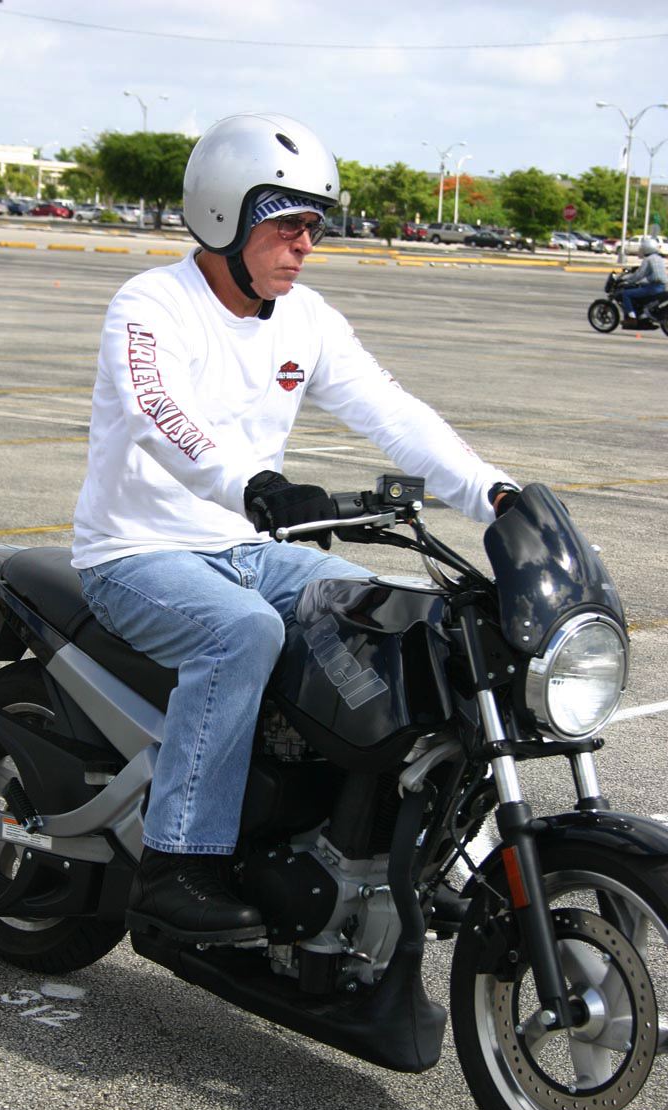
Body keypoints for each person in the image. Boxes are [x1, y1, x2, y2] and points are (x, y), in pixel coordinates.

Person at [72, 112, 518, 942]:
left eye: (313, 225)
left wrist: (494, 493)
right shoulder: (152, 304)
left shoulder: (306, 318)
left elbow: (391, 411)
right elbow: (155, 411)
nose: (305, 244)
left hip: (252, 550)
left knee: (401, 617)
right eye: (286, 224)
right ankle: (177, 863)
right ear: (223, 214)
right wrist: (252, 486)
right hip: (137, 552)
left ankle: (411, 847)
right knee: (239, 633)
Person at [620, 236, 667, 325]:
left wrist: (627, 280)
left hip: (654, 288)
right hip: (662, 287)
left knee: (626, 293)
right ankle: (641, 313)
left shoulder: (648, 259)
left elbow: (639, 274)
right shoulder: (659, 258)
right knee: (642, 286)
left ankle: (632, 318)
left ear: (647, 248)